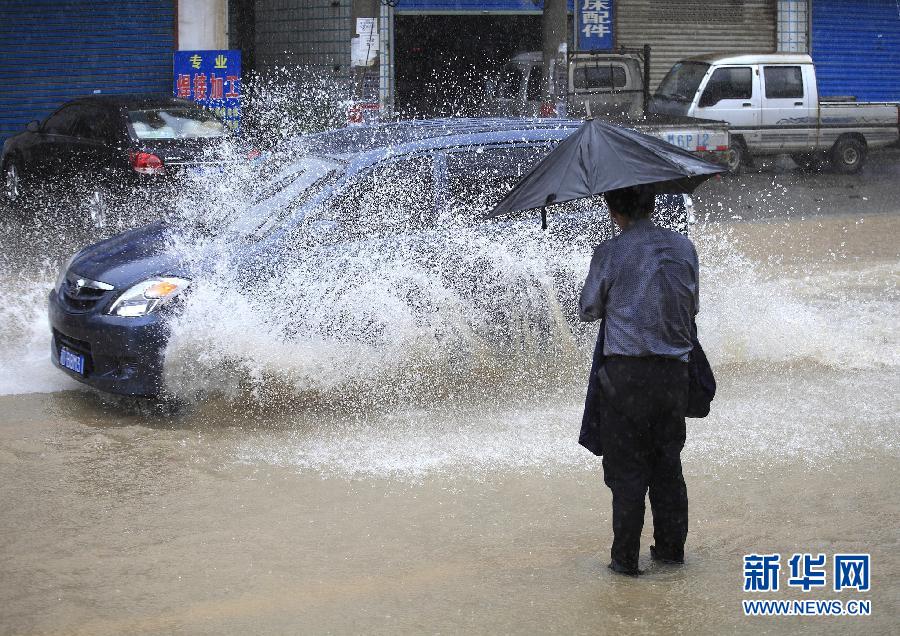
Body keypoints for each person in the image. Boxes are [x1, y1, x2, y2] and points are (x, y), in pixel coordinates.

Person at [578, 185, 700, 576]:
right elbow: (692, 307)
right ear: (651, 204)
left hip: (625, 380)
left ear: (614, 209)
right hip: (673, 378)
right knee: (668, 468)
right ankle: (670, 555)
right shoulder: (684, 248)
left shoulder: (610, 252)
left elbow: (588, 309)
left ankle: (625, 563)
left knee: (628, 474)